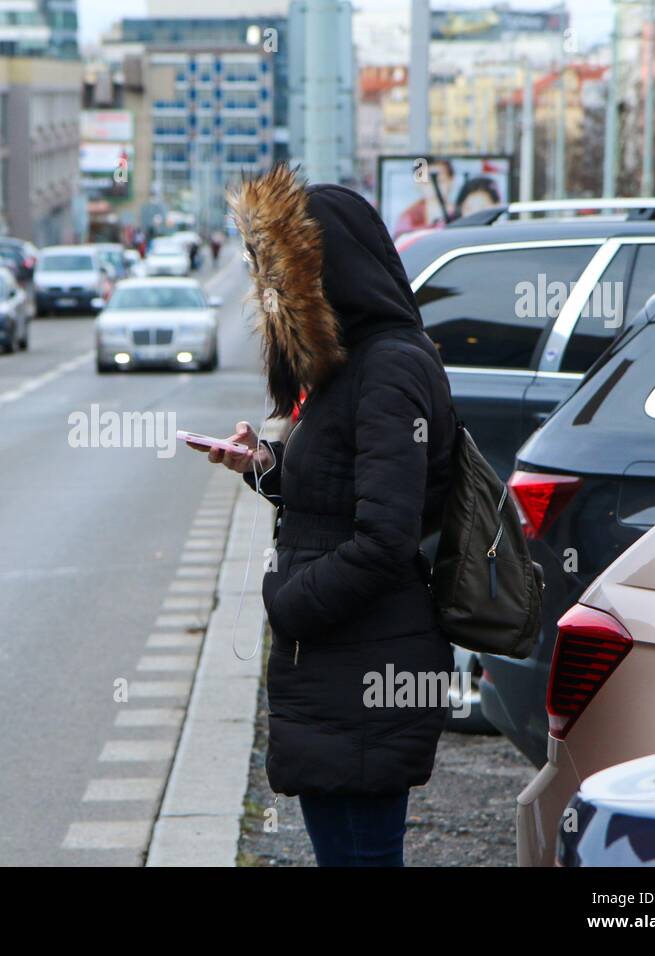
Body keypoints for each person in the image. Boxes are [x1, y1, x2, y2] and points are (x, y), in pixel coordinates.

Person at [193, 165, 456, 866]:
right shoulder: (352, 368)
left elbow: (385, 537)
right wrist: (266, 470)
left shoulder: (389, 370)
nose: (271, 292)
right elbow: (342, 494)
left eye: (284, 272)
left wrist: (288, 602)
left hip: (366, 664)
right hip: (344, 664)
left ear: (327, 269)